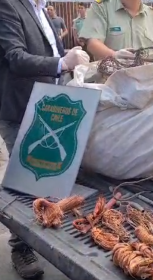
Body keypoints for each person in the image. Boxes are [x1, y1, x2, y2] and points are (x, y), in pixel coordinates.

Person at [0, 0, 89, 278]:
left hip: (46, 109)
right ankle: (20, 248)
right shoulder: (8, 6)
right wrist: (61, 62)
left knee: (45, 182)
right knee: (25, 184)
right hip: (20, 110)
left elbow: (54, 53)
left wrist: (68, 55)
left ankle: (38, 236)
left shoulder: (41, 10)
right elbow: (15, 57)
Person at [79, 0, 153, 60]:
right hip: (111, 83)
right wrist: (114, 56)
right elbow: (93, 43)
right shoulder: (102, 7)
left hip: (148, 84)